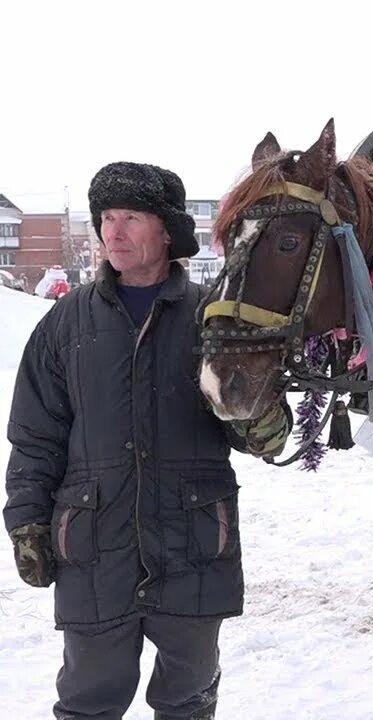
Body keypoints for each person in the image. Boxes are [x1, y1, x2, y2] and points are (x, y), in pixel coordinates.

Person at [4, 162, 291, 720]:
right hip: (93, 545)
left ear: (168, 232)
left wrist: (259, 419)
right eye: (106, 218)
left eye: (130, 217)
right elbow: (35, 437)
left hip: (192, 542)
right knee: (88, 702)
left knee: (187, 701)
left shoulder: (215, 316)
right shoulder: (64, 324)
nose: (113, 232)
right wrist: (26, 522)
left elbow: (263, 433)